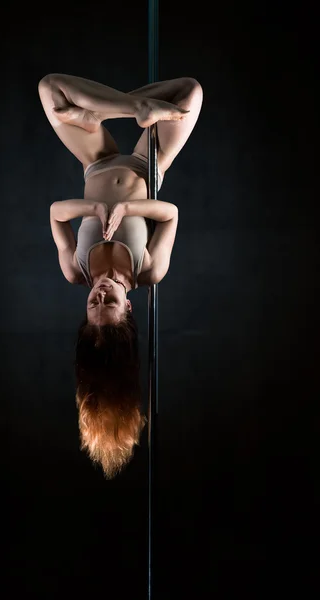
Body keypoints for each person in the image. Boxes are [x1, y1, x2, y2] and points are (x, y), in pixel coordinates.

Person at [38, 73, 203, 478]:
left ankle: (123, 109)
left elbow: (56, 213)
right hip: (148, 162)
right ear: (128, 307)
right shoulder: (150, 269)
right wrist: (129, 210)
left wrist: (92, 210)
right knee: (190, 93)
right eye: (109, 302)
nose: (101, 292)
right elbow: (171, 214)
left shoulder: (74, 269)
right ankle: (116, 109)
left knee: (49, 89)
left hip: (96, 159)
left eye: (94, 302)